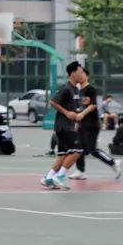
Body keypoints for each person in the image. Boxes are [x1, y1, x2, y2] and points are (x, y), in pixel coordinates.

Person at [69, 68, 122, 180]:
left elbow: (92, 106)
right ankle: (80, 171)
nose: (79, 76)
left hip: (92, 125)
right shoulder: (78, 91)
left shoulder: (90, 89)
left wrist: (82, 114)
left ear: (87, 76)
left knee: (92, 150)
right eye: (78, 74)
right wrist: (77, 122)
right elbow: (78, 108)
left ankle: (113, 162)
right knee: (78, 147)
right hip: (82, 124)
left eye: (82, 74)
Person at [41, 62, 85, 190]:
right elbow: (52, 102)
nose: (82, 74)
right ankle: (60, 176)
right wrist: (66, 113)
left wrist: (77, 120)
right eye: (80, 72)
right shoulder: (66, 88)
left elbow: (75, 109)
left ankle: (48, 178)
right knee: (78, 150)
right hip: (64, 126)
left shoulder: (76, 90)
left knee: (63, 154)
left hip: (68, 126)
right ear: (73, 73)